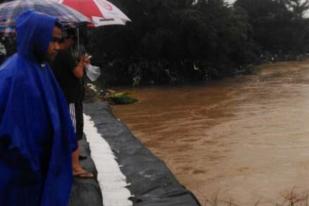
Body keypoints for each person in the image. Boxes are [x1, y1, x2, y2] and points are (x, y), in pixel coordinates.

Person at [0, 11, 77, 206]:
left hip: (42, 169)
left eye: (59, 41)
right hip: (21, 176)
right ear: (36, 36)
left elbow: (58, 111)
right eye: (52, 40)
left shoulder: (42, 69)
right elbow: (15, 136)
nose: (57, 47)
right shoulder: (14, 75)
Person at [51, 28, 93, 178]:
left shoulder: (54, 56)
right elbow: (78, 73)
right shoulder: (64, 54)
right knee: (73, 130)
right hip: (69, 99)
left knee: (67, 128)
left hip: (61, 97)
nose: (73, 43)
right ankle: (75, 167)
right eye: (72, 40)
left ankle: (71, 158)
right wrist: (82, 63)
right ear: (67, 39)